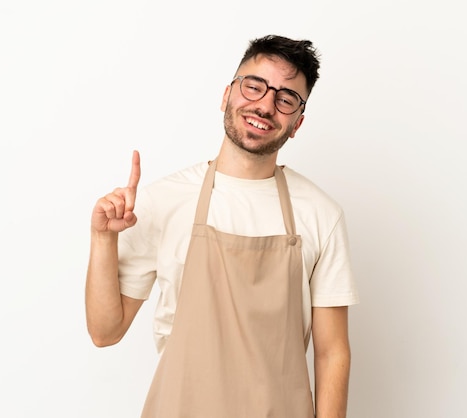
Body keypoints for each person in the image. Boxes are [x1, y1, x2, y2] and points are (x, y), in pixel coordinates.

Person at [85, 34, 359, 418]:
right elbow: (105, 331)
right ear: (227, 95)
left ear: (297, 122)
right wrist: (103, 239)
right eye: (254, 86)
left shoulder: (320, 214)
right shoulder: (165, 200)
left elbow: (332, 352)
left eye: (285, 98)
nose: (265, 105)